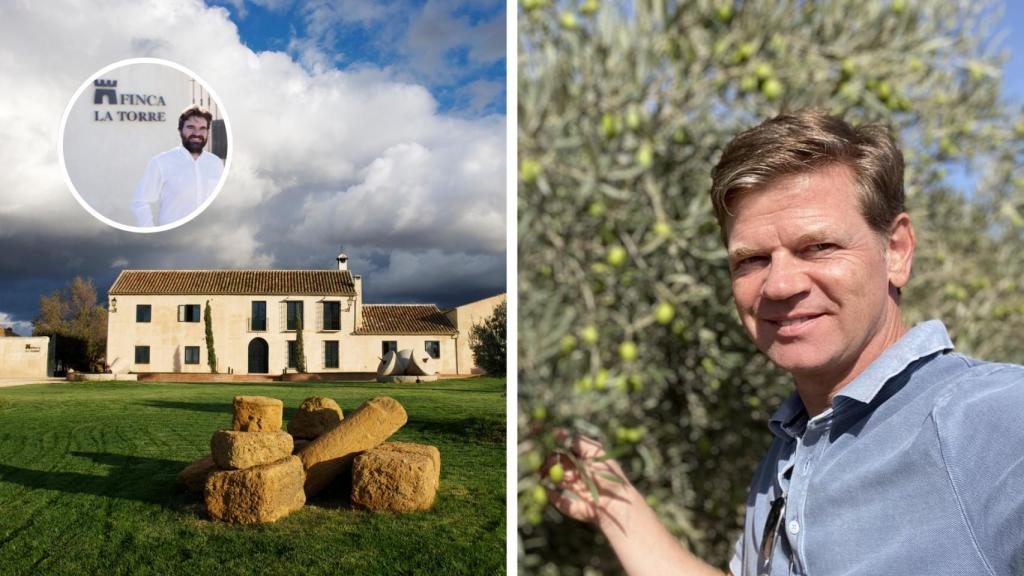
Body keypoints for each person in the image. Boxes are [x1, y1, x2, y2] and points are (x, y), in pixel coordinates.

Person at [547, 109, 1024, 575]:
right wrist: (615, 503)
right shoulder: (794, 446)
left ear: (896, 251)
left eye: (818, 246)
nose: (779, 285)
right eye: (752, 259)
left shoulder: (994, 420)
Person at [130, 105, 223, 227]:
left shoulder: (216, 163)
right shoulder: (161, 162)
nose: (197, 133)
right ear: (180, 130)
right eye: (191, 127)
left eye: (202, 128)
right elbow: (139, 202)